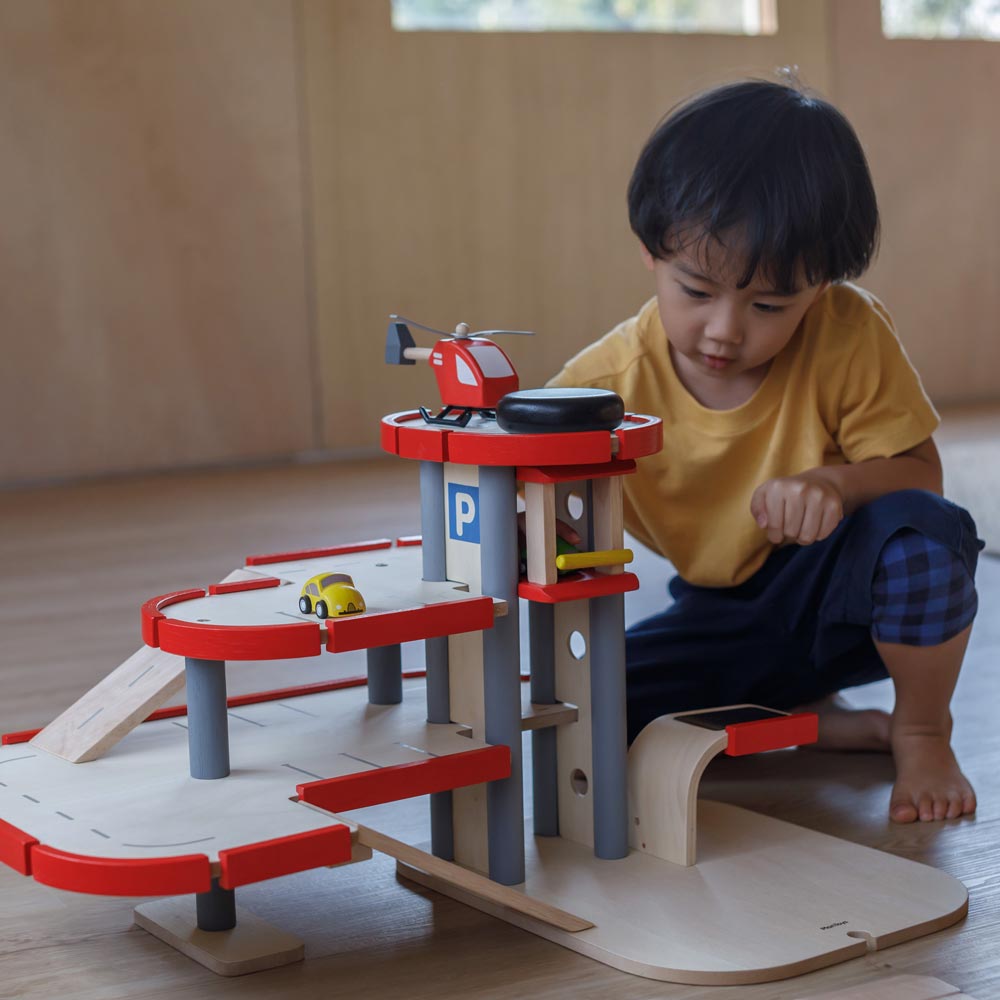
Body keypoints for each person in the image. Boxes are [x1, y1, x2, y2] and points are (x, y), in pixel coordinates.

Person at [545, 77, 983, 824]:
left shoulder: (848, 332)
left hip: (842, 605)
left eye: (771, 305)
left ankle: (919, 731)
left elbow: (922, 476)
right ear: (651, 250)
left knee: (926, 537)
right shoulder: (601, 389)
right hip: (719, 617)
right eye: (696, 291)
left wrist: (836, 486)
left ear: (822, 285)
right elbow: (533, 494)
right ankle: (816, 722)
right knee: (578, 710)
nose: (725, 330)